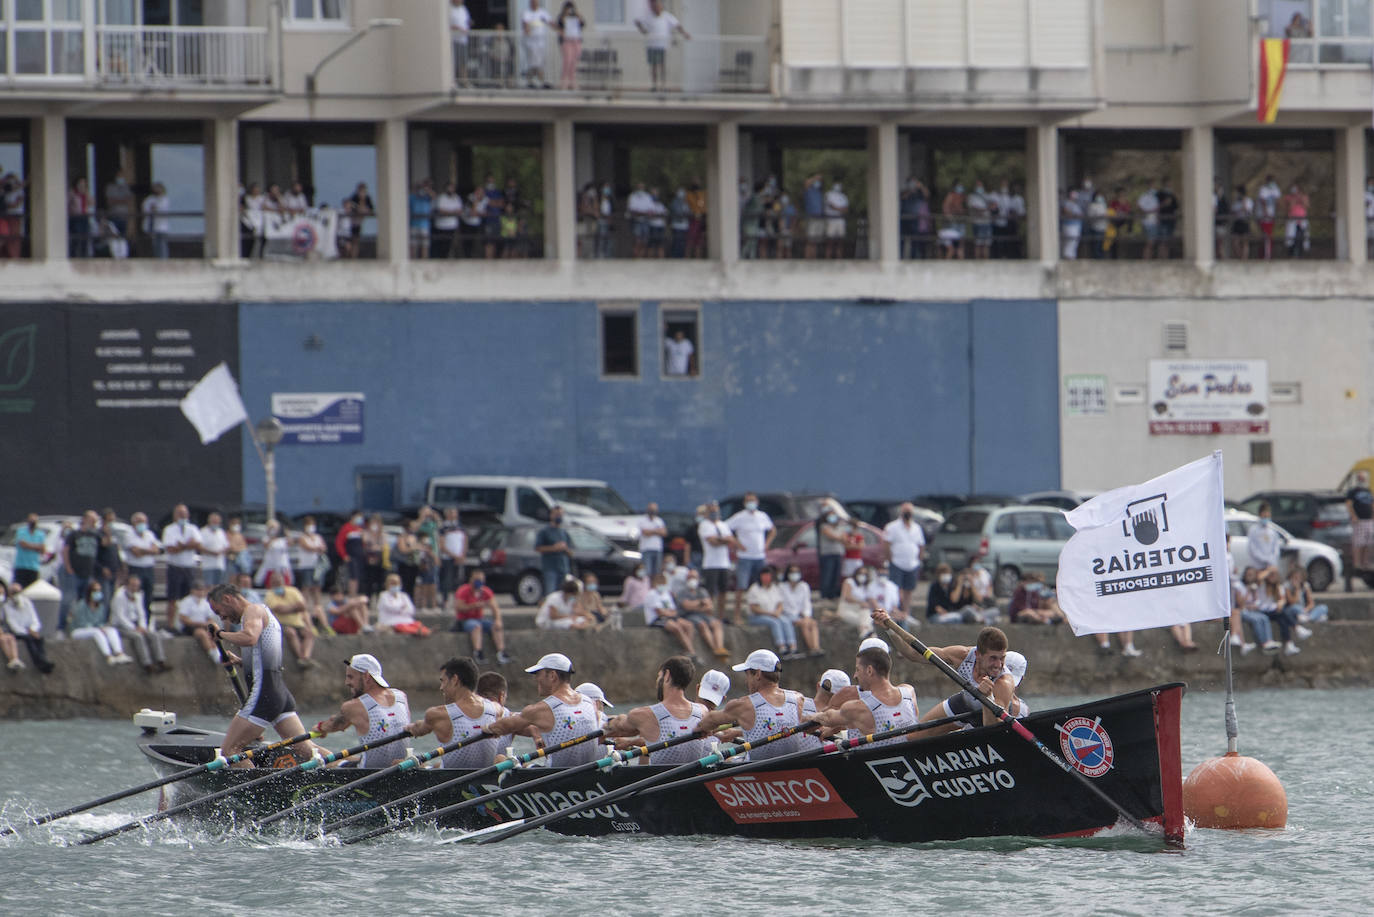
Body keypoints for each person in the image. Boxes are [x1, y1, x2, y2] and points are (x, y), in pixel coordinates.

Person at [879, 617, 1028, 734]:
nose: (998, 665)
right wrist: (889, 628)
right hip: (964, 703)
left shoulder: (1004, 682)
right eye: (993, 658)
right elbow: (912, 654)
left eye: (1002, 658)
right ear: (978, 655)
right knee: (913, 736)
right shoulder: (962, 655)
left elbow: (993, 728)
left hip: (987, 716)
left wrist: (988, 697)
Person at [481, 652, 601, 766]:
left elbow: (504, 727)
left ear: (552, 676)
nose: (536, 679)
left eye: (538, 674)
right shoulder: (589, 703)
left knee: (499, 759)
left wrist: (487, 728)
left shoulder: (541, 709)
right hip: (590, 774)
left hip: (554, 779)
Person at [697, 649, 808, 760]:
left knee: (725, 760)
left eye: (748, 675)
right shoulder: (798, 699)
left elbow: (709, 720)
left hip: (758, 770)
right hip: (795, 766)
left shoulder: (744, 705)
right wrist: (738, 732)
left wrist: (703, 730)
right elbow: (780, 727)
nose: (747, 681)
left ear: (758, 674)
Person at [604, 656, 718, 764]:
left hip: (662, 782)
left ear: (667, 675)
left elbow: (620, 725)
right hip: (695, 779)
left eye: (659, 676)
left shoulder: (644, 715)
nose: (657, 681)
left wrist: (602, 721)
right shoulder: (703, 711)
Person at [407, 657, 508, 768]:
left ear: (455, 680)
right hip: (486, 780)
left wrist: (409, 728)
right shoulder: (496, 709)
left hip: (451, 782)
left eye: (443, 681)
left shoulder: (437, 714)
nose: (441, 688)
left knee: (415, 764)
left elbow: (420, 729)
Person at [314, 654, 412, 769]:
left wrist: (320, 728)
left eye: (350, 677)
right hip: (402, 768)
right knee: (350, 757)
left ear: (366, 676)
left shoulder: (353, 706)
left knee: (320, 754)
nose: (347, 682)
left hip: (367, 772)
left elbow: (334, 725)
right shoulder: (401, 696)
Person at [812, 646, 919, 747]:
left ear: (869, 670)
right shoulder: (909, 692)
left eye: (857, 669)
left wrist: (811, 718)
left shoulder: (859, 707)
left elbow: (828, 718)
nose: (855, 675)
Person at [727, 493, 775, 624]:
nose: (751, 503)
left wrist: (767, 544)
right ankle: (737, 615)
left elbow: (772, 530)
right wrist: (737, 544)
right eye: (748, 501)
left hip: (759, 556)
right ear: (744, 503)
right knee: (741, 586)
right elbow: (726, 529)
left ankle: (758, 612)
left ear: (757, 502)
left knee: (761, 585)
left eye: (753, 500)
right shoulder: (740, 517)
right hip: (745, 557)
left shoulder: (762, 516)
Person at [109, 574, 167, 673]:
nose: (135, 588)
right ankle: (147, 664)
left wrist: (142, 626)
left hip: (135, 623)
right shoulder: (119, 596)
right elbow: (120, 617)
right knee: (138, 637)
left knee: (154, 635)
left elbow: (141, 613)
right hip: (120, 625)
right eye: (133, 585)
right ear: (127, 585)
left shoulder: (138, 595)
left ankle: (161, 661)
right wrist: (134, 628)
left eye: (137, 586)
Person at [452, 569, 510, 663]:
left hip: (479, 619)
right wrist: (473, 606)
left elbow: (495, 607)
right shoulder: (463, 590)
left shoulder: (485, 591)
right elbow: (458, 607)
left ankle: (501, 652)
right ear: (471, 579)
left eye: (481, 579)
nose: (479, 582)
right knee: (476, 626)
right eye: (476, 579)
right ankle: (478, 652)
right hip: (465, 620)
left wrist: (498, 620)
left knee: (495, 626)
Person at [263, 570, 318, 668]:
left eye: (279, 582)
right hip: (281, 624)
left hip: (298, 623)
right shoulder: (270, 594)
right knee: (291, 633)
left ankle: (305, 657)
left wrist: (287, 608)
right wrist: (294, 607)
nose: (277, 584)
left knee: (309, 633)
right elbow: (278, 609)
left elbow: (302, 606)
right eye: (275, 582)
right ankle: (301, 658)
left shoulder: (293, 591)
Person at [70, 581, 133, 665]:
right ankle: (108, 656)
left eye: (99, 591)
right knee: (97, 632)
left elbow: (101, 622)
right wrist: (97, 628)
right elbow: (81, 622)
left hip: (94, 629)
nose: (98, 593)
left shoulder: (101, 607)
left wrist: (102, 627)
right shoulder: (82, 605)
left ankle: (119, 653)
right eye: (95, 591)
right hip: (78, 630)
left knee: (111, 630)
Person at [881, 502, 926, 619]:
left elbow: (921, 545)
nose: (908, 513)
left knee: (909, 590)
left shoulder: (916, 528)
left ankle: (906, 613)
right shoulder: (892, 527)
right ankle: (896, 612)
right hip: (897, 562)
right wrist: (890, 559)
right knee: (896, 589)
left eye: (909, 511)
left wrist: (919, 559)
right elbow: (886, 544)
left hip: (912, 563)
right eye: (906, 511)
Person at [672, 569, 729, 660]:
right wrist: (701, 603)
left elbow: (710, 607)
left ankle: (720, 648)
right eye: (690, 577)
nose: (692, 579)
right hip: (688, 615)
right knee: (702, 624)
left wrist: (696, 605)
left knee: (717, 624)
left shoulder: (702, 591)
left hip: (703, 615)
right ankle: (714, 649)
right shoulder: (682, 592)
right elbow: (686, 606)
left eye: (694, 577)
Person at [744, 565, 799, 659]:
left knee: (785, 621)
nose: (766, 578)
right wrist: (770, 614)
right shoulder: (755, 588)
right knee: (775, 623)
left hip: (774, 614)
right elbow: (754, 608)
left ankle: (792, 646)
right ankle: (782, 647)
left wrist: (777, 612)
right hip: (757, 616)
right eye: (764, 576)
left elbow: (780, 603)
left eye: (768, 576)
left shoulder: (774, 588)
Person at [644, 572, 701, 660]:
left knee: (688, 625)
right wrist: (669, 613)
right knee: (676, 627)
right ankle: (692, 651)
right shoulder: (651, 594)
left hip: (669, 617)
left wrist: (669, 613)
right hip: (656, 619)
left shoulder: (666, 594)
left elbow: (674, 611)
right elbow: (659, 612)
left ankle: (687, 650)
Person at [635, 0, 690, 92]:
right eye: (653, 6)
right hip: (652, 45)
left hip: (662, 46)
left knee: (662, 66)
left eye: (657, 5)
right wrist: (642, 29)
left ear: (660, 6)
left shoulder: (666, 16)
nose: (655, 8)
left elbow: (677, 25)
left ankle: (663, 86)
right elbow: (639, 23)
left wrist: (684, 34)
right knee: (653, 67)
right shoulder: (648, 16)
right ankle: (654, 86)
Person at [2, 578, 54, 673]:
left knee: (39, 639)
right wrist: (27, 632)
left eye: (18, 592)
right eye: (13, 592)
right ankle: (39, 662)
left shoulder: (27, 603)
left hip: (29, 630)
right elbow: (13, 625)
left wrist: (32, 629)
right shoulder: (7, 606)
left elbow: (34, 619)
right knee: (29, 639)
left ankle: (43, 659)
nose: (16, 595)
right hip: (18, 632)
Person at [698, 501, 736, 621]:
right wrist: (723, 540)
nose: (714, 513)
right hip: (711, 564)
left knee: (723, 591)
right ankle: (709, 615)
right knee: (710, 591)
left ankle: (721, 616)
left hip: (724, 563)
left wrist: (720, 539)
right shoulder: (704, 525)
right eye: (712, 511)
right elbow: (712, 542)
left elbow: (731, 539)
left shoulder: (723, 525)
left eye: (716, 510)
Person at [161, 504, 202, 614]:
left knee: (188, 597)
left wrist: (181, 546)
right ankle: (171, 625)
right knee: (172, 598)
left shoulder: (192, 529)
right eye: (180, 513)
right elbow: (170, 548)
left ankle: (184, 623)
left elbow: (198, 544)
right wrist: (187, 545)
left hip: (189, 567)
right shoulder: (169, 529)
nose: (182, 516)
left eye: (184, 513)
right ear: (175, 515)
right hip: (175, 567)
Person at [779, 563, 822, 657]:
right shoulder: (782, 587)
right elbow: (783, 605)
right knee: (805, 624)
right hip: (787, 615)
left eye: (796, 572)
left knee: (813, 623)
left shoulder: (804, 586)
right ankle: (812, 649)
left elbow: (806, 603)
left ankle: (816, 648)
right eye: (792, 572)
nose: (794, 574)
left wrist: (806, 616)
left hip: (801, 615)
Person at [174, 580, 222, 662]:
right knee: (202, 633)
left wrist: (209, 624)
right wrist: (200, 624)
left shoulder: (205, 602)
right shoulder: (186, 601)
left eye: (202, 590)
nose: (201, 592)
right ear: (192, 590)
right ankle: (211, 653)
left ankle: (216, 650)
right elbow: (183, 618)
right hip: (189, 626)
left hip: (203, 625)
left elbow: (209, 618)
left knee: (214, 632)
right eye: (198, 590)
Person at [534, 505, 574, 597]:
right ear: (551, 515)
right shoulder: (544, 531)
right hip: (550, 569)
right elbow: (538, 548)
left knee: (564, 594)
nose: (559, 517)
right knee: (550, 594)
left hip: (563, 568)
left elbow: (571, 552)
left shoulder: (564, 532)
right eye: (556, 514)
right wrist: (554, 548)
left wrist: (565, 549)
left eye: (561, 515)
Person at [291, 516, 328, 613]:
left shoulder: (318, 537)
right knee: (306, 587)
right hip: (306, 566)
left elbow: (324, 548)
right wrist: (317, 548)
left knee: (317, 587)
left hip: (317, 566)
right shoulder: (302, 538)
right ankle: (304, 609)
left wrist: (318, 548)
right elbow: (307, 547)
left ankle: (318, 608)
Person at [377, 572, 432, 637]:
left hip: (406, 619)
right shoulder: (384, 596)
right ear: (387, 584)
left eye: (396, 583)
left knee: (417, 624)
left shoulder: (404, 596)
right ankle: (417, 632)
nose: (395, 585)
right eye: (392, 583)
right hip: (391, 621)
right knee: (403, 627)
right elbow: (390, 607)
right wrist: (401, 608)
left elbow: (411, 609)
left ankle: (426, 631)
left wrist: (400, 609)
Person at [520, 0, 553, 88]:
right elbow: (525, 24)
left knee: (540, 64)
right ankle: (530, 81)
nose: (534, 3)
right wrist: (527, 30)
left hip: (541, 43)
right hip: (531, 43)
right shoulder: (527, 13)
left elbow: (551, 23)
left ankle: (539, 81)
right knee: (533, 63)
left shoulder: (543, 13)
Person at [439, 506, 467, 606]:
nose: (453, 515)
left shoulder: (460, 526)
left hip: (459, 558)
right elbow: (441, 545)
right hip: (447, 557)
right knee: (446, 579)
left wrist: (462, 554)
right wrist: (453, 555)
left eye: (454, 513)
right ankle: (445, 600)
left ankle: (458, 600)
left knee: (458, 580)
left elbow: (464, 541)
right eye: (451, 513)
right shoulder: (443, 527)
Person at [1347, 471, 1374, 572]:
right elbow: (1349, 504)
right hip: (1359, 520)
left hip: (1369, 520)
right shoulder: (1353, 491)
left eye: (1362, 478)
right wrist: (1353, 516)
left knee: (1368, 542)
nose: (1361, 480)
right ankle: (1357, 563)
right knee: (1359, 542)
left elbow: (1372, 504)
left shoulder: (1368, 491)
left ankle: (1365, 562)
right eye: (1359, 478)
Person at [1247, 502, 1282, 578]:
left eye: (1268, 515)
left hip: (1270, 566)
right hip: (1257, 566)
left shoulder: (1273, 530)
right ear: (1260, 515)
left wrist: (1271, 559)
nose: (1266, 518)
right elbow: (1253, 549)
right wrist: (1264, 559)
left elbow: (1276, 548)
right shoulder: (1253, 530)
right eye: (1264, 515)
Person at [12, 513, 45, 589]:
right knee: (18, 588)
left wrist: (29, 545)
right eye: (31, 521)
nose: (33, 523)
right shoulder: (21, 531)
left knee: (32, 590)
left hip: (33, 567)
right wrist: (37, 547)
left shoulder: (40, 534)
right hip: (21, 566)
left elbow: (43, 550)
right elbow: (23, 545)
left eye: (34, 521)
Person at [556, 1, 584, 90]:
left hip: (575, 41)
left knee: (573, 63)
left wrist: (578, 15)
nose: (570, 11)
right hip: (566, 41)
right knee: (567, 61)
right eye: (568, 9)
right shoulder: (561, 17)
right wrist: (565, 16)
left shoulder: (576, 17)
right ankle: (564, 83)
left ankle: (572, 83)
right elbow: (559, 26)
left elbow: (582, 24)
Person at [197, 512, 230, 587]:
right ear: (209, 521)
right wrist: (212, 552)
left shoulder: (221, 532)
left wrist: (221, 551)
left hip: (220, 565)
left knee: (220, 587)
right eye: (214, 521)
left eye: (217, 522)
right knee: (209, 586)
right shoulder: (203, 531)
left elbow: (227, 546)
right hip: (208, 566)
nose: (215, 523)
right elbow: (199, 547)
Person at [636, 502, 668, 576]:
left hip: (657, 549)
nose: (653, 511)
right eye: (651, 509)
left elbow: (664, 533)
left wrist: (651, 531)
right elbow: (645, 532)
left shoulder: (659, 520)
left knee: (657, 571)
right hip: (646, 549)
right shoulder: (642, 520)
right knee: (647, 571)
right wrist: (657, 530)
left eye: (654, 509)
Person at [141, 182, 171, 259]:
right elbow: (146, 209)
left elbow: (161, 210)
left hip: (161, 226)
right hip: (152, 226)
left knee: (162, 244)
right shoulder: (150, 199)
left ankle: (163, 259)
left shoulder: (164, 199)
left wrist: (155, 208)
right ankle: (156, 258)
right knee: (154, 244)